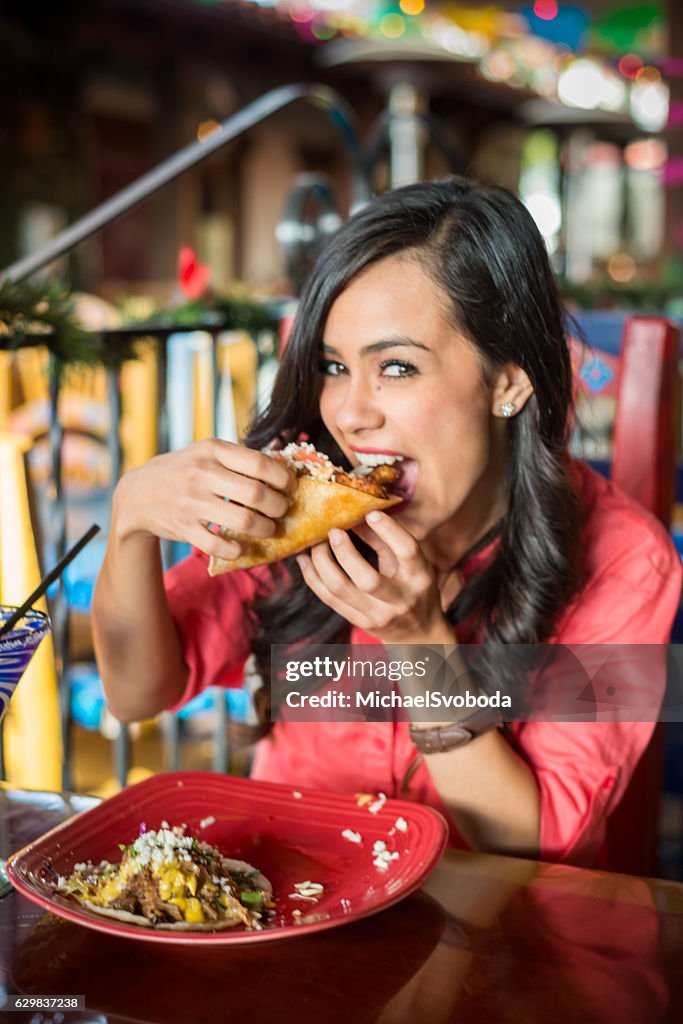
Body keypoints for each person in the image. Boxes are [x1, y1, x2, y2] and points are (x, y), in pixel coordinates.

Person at [92, 177, 682, 867]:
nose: (348, 412)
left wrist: (417, 642)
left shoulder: (628, 559)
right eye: (334, 366)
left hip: (485, 941)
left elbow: (539, 844)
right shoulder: (302, 505)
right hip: (287, 898)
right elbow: (136, 694)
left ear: (509, 382)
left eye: (396, 367)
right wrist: (131, 520)